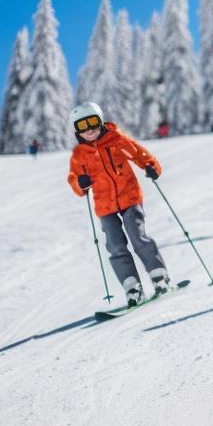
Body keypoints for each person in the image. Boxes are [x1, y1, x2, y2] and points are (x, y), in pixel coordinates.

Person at [67, 101, 171, 307]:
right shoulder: (79, 155)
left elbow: (138, 153)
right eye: (82, 126)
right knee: (115, 246)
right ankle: (132, 287)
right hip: (105, 206)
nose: (89, 129)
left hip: (129, 197)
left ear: (100, 121)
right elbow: (74, 178)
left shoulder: (116, 139)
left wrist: (151, 166)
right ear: (76, 130)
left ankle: (159, 276)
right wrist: (81, 183)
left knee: (138, 236)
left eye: (92, 122)